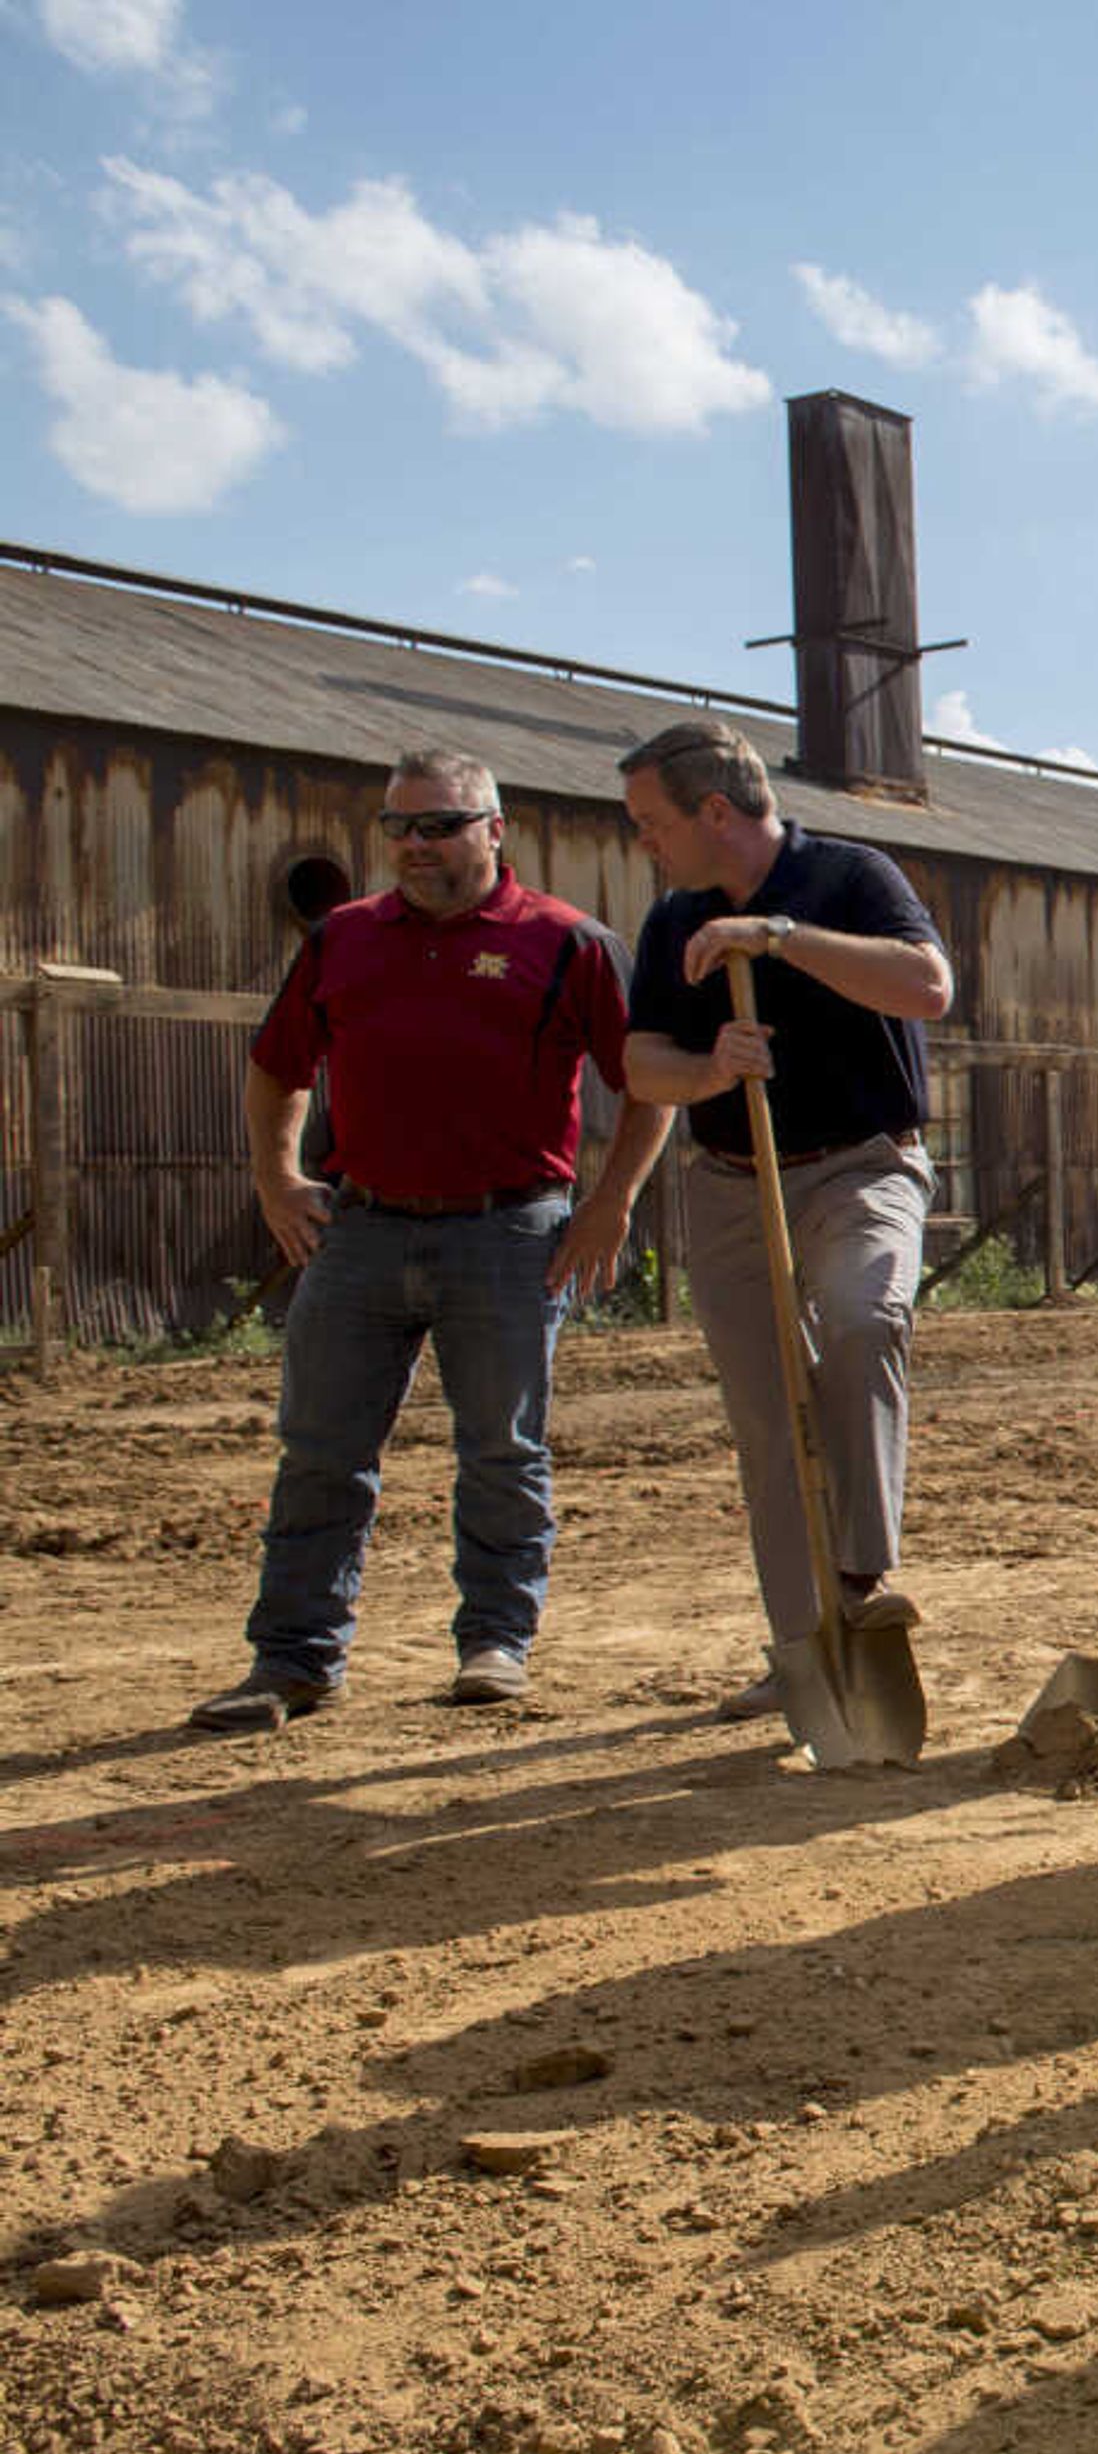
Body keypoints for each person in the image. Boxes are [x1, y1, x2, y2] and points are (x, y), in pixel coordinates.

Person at [190, 749, 675, 1732]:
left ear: (494, 829)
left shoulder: (569, 941)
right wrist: (279, 1177)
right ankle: (293, 1661)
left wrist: (612, 1200)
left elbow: (649, 1079)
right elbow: (279, 1067)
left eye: (439, 824)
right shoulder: (343, 939)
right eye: (398, 826)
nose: (415, 845)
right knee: (321, 1452)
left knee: (501, 1449)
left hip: (510, 1231)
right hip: (358, 1230)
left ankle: (495, 1643)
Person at [615, 719, 953, 1721]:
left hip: (862, 1166)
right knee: (769, 1419)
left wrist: (776, 940)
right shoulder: (671, 920)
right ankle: (803, 1648)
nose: (646, 844)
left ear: (714, 811)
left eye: (651, 823)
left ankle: (860, 1574)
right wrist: (713, 1067)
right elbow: (641, 1067)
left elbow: (927, 986)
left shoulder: (851, 877)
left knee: (862, 1317)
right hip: (731, 1178)